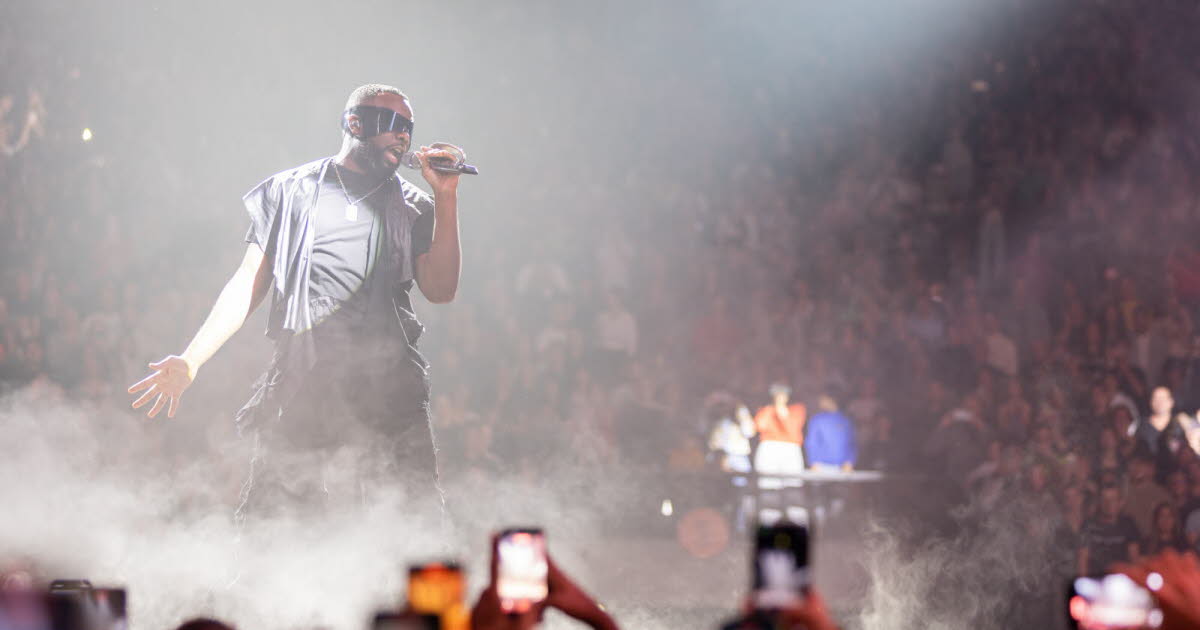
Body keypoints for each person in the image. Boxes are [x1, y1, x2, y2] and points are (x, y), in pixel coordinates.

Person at [127, 84, 465, 517]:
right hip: (304, 380)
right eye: (392, 123)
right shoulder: (290, 192)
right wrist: (193, 359)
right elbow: (247, 282)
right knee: (274, 521)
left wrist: (446, 196)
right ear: (354, 123)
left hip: (390, 387)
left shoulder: (415, 204)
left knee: (415, 524)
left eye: (409, 128)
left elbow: (441, 290)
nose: (403, 135)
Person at [803, 394, 856, 471]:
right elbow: (811, 442)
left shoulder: (845, 420)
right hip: (821, 467)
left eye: (823, 399)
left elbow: (852, 443)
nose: (820, 402)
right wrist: (813, 461)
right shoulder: (817, 420)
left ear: (832, 400)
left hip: (843, 467)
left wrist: (850, 461)